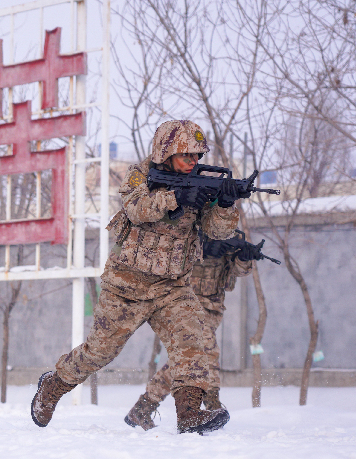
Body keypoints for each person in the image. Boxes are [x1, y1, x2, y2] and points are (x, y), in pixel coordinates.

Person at [31, 120, 241, 434]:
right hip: (126, 286)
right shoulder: (141, 174)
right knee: (99, 352)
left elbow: (217, 232)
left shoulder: (201, 182)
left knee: (194, 341)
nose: (193, 162)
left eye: (198, 156)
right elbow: (135, 209)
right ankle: (53, 385)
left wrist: (225, 204)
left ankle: (189, 414)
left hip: (172, 287)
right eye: (186, 155)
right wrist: (176, 198)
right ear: (166, 152)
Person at [125, 232, 259, 430]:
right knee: (207, 353)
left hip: (212, 310)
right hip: (184, 305)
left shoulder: (229, 235)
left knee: (186, 361)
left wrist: (244, 258)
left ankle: (142, 408)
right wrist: (203, 247)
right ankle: (212, 406)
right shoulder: (189, 226)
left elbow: (236, 272)